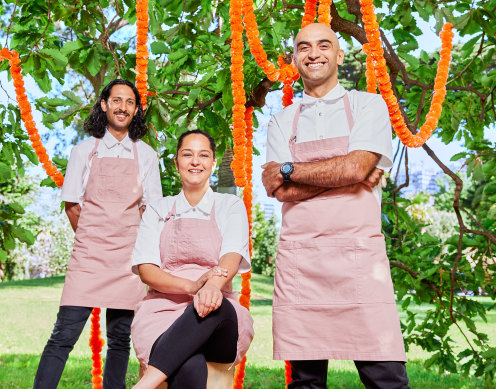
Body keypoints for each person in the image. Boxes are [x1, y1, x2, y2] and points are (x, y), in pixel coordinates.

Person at [262, 23, 411, 388]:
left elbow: (357, 166)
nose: (314, 53)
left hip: (359, 261)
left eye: (324, 45)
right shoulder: (281, 121)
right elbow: (279, 189)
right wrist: (347, 175)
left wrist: (295, 170)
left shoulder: (369, 105)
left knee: (387, 378)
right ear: (295, 58)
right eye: (304, 47)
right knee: (305, 383)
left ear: (339, 55)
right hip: (302, 263)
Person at [33, 79, 162, 389]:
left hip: (127, 260)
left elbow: (152, 210)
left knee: (120, 339)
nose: (122, 107)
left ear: (136, 110)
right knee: (63, 335)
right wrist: (94, 237)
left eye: (129, 102)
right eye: (116, 100)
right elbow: (72, 205)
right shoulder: (83, 151)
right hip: (89, 258)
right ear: (104, 105)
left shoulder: (145, 155)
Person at [130, 129, 254, 389]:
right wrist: (192, 287)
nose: (195, 161)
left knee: (215, 305)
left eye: (203, 155)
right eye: (187, 155)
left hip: (219, 311)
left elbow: (231, 256)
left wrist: (210, 288)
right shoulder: (157, 209)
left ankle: (144, 385)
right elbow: (146, 270)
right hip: (161, 310)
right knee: (188, 364)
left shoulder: (230, 206)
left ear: (213, 162)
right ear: (176, 162)